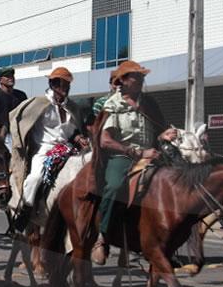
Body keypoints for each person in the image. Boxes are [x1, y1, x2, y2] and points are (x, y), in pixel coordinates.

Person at [92, 60, 177, 264]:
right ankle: (101, 237)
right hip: (123, 156)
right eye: (135, 77)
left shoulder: (150, 103)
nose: (140, 80)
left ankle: (166, 242)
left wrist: (167, 134)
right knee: (114, 186)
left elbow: (160, 128)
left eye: (142, 77)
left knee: (176, 184)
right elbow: (105, 141)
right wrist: (137, 152)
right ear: (123, 81)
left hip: (153, 155)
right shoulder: (113, 104)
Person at [10, 67, 88, 232]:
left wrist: (78, 137)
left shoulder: (72, 107)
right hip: (45, 149)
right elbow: (16, 118)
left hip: (69, 148)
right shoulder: (38, 104)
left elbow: (73, 130)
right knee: (35, 177)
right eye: (60, 85)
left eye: (67, 85)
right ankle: (26, 209)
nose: (64, 89)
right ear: (52, 84)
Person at [0, 67, 27, 150]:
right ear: (0, 80)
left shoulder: (21, 95)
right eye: (7, 76)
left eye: (12, 76)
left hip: (20, 133)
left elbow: (26, 114)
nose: (11, 78)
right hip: (3, 136)